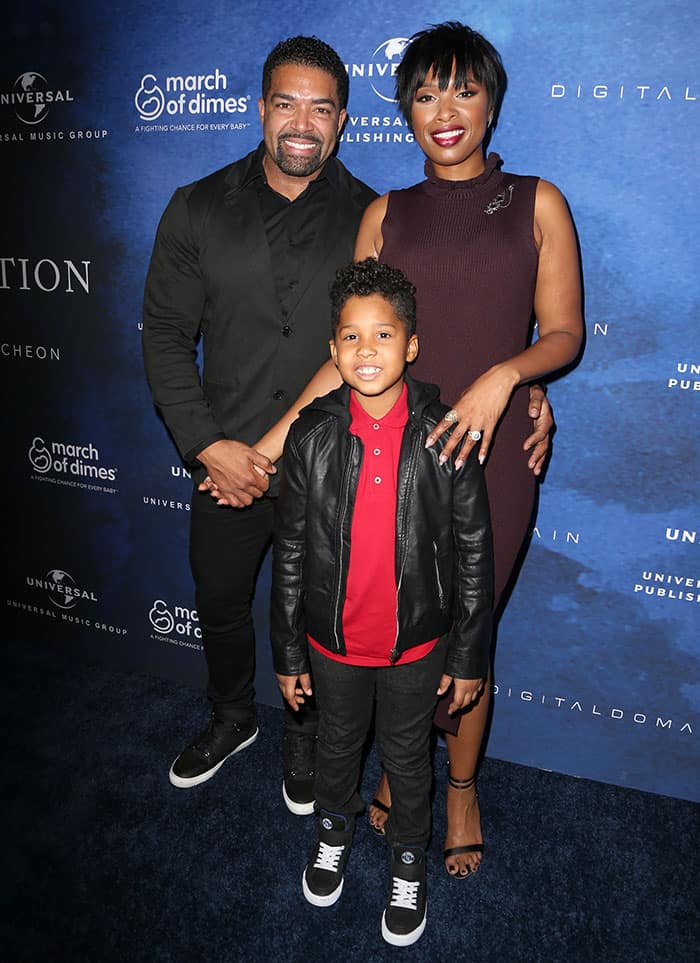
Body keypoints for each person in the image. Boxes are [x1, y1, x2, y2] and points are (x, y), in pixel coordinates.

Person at [262, 22, 583, 875]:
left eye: (464, 91)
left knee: (467, 621)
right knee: (403, 623)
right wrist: (271, 444)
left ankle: (461, 784)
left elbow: (563, 332)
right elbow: (349, 350)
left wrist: (508, 378)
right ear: (405, 108)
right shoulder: (385, 213)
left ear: (491, 101)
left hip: (489, 451)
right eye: (426, 94)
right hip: (385, 460)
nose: (445, 111)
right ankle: (413, 770)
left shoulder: (536, 202)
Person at [142, 36, 376, 811]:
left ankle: (303, 737)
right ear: (261, 109)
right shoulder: (198, 205)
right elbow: (167, 335)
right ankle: (232, 715)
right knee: (218, 599)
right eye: (286, 104)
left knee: (316, 612)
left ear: (342, 120)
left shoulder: (374, 217)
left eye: (320, 107)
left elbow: (382, 343)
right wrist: (210, 447)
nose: (301, 123)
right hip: (225, 463)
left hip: (329, 465)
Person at [270, 258, 493, 946]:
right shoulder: (310, 434)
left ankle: (406, 865)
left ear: (412, 343)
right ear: (333, 349)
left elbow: (474, 554)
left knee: (406, 758)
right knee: (336, 748)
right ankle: (331, 834)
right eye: (350, 338)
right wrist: (287, 650)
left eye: (383, 335)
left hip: (417, 646)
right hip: (332, 643)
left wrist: (466, 655)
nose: (367, 351)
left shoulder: (446, 433)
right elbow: (292, 550)